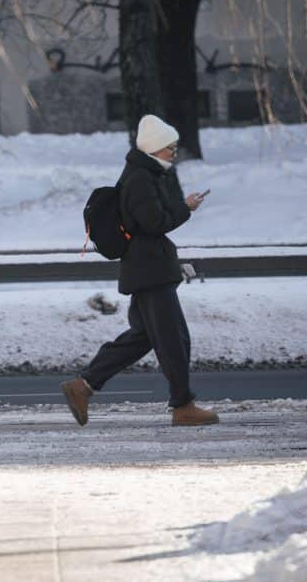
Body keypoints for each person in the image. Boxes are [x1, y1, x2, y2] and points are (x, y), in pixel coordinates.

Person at [61, 115, 218, 427]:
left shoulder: (141, 175)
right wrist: (184, 207)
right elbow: (153, 223)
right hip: (150, 273)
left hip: (147, 270)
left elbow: (148, 224)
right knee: (174, 340)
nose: (174, 150)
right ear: (155, 148)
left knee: (141, 338)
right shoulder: (141, 179)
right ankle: (183, 406)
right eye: (169, 146)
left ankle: (83, 386)